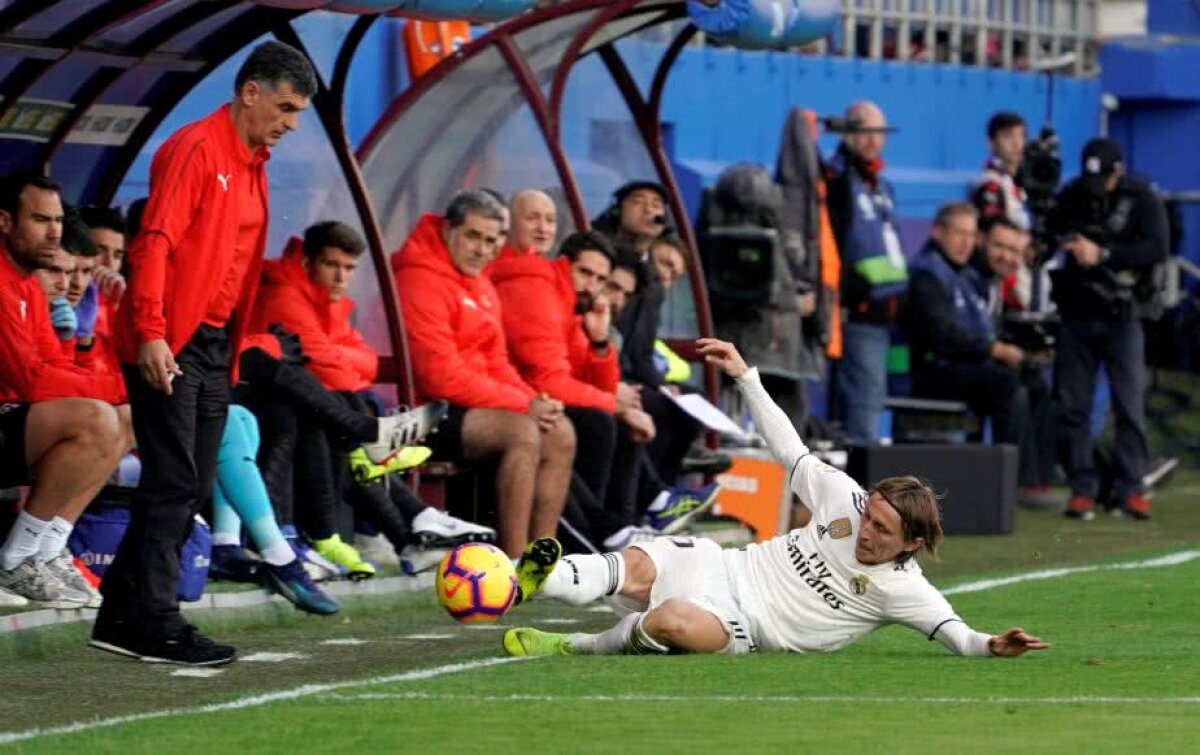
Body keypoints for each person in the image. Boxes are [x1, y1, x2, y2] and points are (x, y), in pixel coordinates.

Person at [500, 337, 1050, 660]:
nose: (867, 530)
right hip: (723, 565)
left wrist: (992, 645)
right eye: (871, 516)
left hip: (741, 622)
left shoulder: (903, 590)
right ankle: (520, 582)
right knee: (634, 563)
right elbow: (788, 447)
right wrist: (745, 377)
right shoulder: (845, 498)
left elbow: (957, 634)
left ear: (911, 542)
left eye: (883, 531)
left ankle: (577, 647)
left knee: (671, 621)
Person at [94, 41, 320, 667]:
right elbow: (155, 243)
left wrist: (234, 341)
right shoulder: (196, 147)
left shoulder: (253, 159)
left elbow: (232, 259)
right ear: (250, 92)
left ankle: (120, 613)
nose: (291, 122)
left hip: (215, 343)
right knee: (174, 481)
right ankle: (159, 622)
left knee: (186, 485)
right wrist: (151, 331)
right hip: (172, 337)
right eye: (285, 106)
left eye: (297, 111)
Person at [246, 220, 488, 574]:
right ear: (307, 263)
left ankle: (408, 528)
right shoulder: (286, 296)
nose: (341, 277)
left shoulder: (324, 300)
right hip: (260, 405)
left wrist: (334, 355)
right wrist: (336, 358)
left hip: (311, 409)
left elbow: (368, 362)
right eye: (332, 265)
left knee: (343, 426)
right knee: (335, 419)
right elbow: (330, 368)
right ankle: (395, 524)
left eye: (349, 268)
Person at [392, 190, 574, 557]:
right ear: (448, 230)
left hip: (467, 406)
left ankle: (542, 558)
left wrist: (534, 400)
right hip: (421, 412)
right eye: (473, 236)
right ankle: (512, 559)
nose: (482, 249)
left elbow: (497, 362)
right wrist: (524, 404)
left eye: (491, 241)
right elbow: (439, 377)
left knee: (560, 432)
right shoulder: (419, 279)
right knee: (521, 430)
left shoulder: (480, 282)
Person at [0, 173, 129, 608]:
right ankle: (15, 559)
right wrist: (115, 384)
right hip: (10, 409)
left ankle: (46, 550)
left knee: (126, 417)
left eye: (57, 219)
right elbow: (29, 379)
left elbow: (52, 365)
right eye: (40, 219)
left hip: (13, 415)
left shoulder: (26, 282)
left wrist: (119, 389)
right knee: (96, 417)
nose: (54, 231)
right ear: (4, 222)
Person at [1047, 138, 1169, 521]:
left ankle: (1132, 487)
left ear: (1118, 171)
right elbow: (1049, 233)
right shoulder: (1072, 195)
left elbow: (1157, 248)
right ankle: (1083, 488)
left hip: (1122, 314)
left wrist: (1104, 254)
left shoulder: (1142, 197)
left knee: (1128, 403)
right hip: (1076, 313)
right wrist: (1065, 244)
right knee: (1074, 406)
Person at [903, 204, 1053, 508]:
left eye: (971, 235)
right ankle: (1013, 482)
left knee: (1034, 381)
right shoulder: (927, 275)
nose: (965, 242)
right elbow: (941, 335)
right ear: (938, 232)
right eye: (958, 233)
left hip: (966, 367)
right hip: (934, 371)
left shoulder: (965, 278)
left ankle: (1038, 479)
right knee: (1006, 384)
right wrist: (995, 350)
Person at [825, 101, 906, 445]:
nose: (873, 140)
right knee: (862, 404)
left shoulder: (882, 186)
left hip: (888, 312)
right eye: (864, 131)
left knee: (876, 398)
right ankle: (860, 489)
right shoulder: (838, 179)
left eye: (878, 133)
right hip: (856, 311)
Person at [972, 111, 1031, 232]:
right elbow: (993, 233)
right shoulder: (990, 183)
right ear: (991, 143)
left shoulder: (1022, 179)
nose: (1017, 143)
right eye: (1008, 136)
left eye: (1022, 136)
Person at [508, 189, 558, 256]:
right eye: (531, 218)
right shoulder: (496, 265)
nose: (543, 228)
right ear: (509, 223)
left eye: (550, 220)